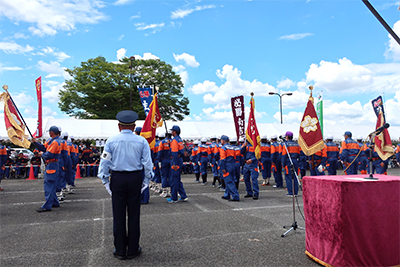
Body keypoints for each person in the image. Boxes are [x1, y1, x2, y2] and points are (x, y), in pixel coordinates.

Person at [98, 110, 152, 260]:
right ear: (134, 126)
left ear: (119, 126)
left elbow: (105, 160)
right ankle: (133, 249)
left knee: (118, 215)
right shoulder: (141, 141)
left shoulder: (111, 141)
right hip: (135, 178)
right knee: (134, 215)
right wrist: (146, 180)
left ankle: (120, 250)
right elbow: (147, 163)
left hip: (118, 178)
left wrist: (104, 179)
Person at [32, 125, 62, 212]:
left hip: (52, 164)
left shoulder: (55, 142)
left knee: (49, 185)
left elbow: (49, 154)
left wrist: (42, 154)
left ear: (51, 132)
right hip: (52, 164)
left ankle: (47, 205)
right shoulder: (51, 141)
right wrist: (36, 143)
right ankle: (55, 202)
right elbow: (44, 148)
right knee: (51, 184)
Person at [166, 125, 188, 203]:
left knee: (174, 180)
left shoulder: (175, 141)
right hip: (179, 159)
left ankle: (174, 197)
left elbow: (174, 152)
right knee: (177, 179)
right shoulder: (179, 140)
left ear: (174, 132)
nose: (171, 132)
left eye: (172, 131)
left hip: (176, 160)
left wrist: (174, 163)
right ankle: (183, 195)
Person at [219, 135, 240, 201]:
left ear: (223, 141)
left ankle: (235, 196)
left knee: (229, 182)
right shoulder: (232, 148)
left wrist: (222, 168)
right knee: (230, 180)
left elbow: (223, 159)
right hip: (232, 165)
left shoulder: (223, 148)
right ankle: (227, 194)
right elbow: (235, 157)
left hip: (227, 165)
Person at [281, 131, 300, 196]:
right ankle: (296, 191)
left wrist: (283, 164)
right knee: (295, 176)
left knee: (288, 177)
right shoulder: (296, 144)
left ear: (287, 137)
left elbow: (284, 155)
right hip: (295, 160)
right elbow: (299, 154)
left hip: (288, 161)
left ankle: (291, 192)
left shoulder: (286, 144)